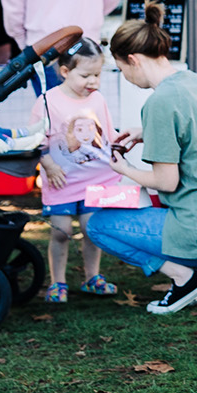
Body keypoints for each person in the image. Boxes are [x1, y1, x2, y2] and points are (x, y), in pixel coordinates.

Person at [87, 3, 197, 314]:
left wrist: (126, 169)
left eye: (122, 70)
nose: (125, 77)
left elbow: (166, 180)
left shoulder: (160, 102)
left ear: (133, 60)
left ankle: (185, 278)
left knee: (98, 226)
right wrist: (145, 132)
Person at [29, 39, 120, 303]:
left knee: (93, 230)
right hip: (61, 181)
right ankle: (58, 282)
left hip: (95, 178)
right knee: (60, 231)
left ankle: (93, 277)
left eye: (97, 74)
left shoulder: (98, 99)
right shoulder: (46, 101)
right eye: (86, 75)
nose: (93, 81)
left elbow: (107, 134)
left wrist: (119, 152)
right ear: (65, 72)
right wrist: (48, 165)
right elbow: (35, 141)